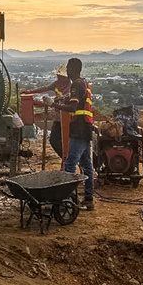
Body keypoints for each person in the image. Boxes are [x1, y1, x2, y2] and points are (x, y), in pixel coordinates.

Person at [52, 58, 96, 211]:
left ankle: (67, 200)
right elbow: (78, 102)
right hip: (85, 129)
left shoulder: (76, 84)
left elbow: (73, 108)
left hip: (79, 130)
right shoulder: (83, 83)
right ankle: (88, 199)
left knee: (70, 164)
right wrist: (64, 99)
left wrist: (54, 104)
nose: (67, 73)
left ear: (72, 69)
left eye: (68, 69)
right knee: (87, 166)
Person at [22, 64, 70, 159]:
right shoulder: (56, 84)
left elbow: (65, 100)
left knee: (63, 140)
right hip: (58, 117)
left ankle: (68, 159)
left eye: (60, 76)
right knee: (54, 140)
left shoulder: (71, 87)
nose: (58, 78)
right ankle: (66, 159)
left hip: (67, 118)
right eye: (58, 76)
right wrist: (31, 92)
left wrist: (48, 103)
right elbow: (45, 88)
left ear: (66, 78)